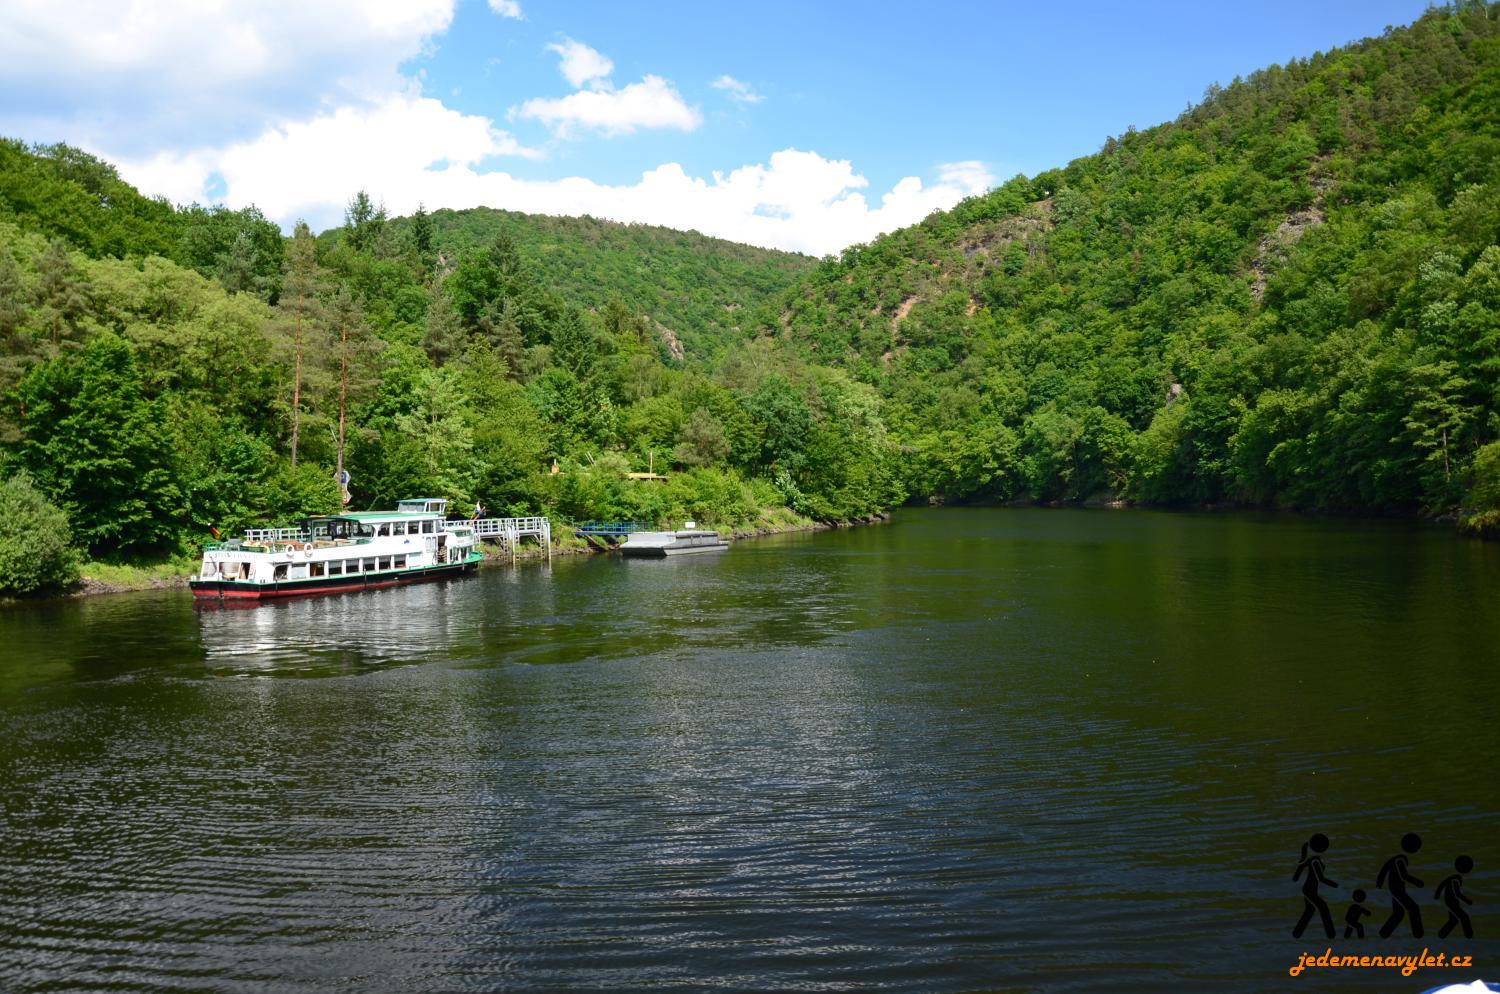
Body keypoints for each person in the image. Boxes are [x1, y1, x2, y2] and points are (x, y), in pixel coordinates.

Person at [1377, 832, 1425, 938]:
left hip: (1396, 889)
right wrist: (1418, 882)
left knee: (1399, 913)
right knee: (1413, 908)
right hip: (1397, 890)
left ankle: (1383, 934)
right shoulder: (1400, 860)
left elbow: (1384, 869)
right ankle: (1418, 934)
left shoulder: (1397, 859)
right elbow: (1404, 876)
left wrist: (1379, 883)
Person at [1293, 833, 1339, 939]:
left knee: (1310, 910)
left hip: (1309, 889)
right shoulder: (1315, 861)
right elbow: (1321, 878)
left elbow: (1296, 875)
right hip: (1309, 890)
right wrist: (1336, 885)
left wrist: (1303, 854)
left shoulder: (1313, 859)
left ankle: (1296, 934)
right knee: (1323, 907)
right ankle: (1331, 935)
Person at [1435, 856, 1475, 939]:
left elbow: (1442, 885)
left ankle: (1441, 936)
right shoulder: (1455, 880)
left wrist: (1437, 895)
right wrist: (1467, 901)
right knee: (1464, 917)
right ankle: (1469, 936)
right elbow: (1458, 894)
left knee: (1454, 920)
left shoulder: (1452, 879)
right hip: (1451, 903)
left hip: (1450, 902)